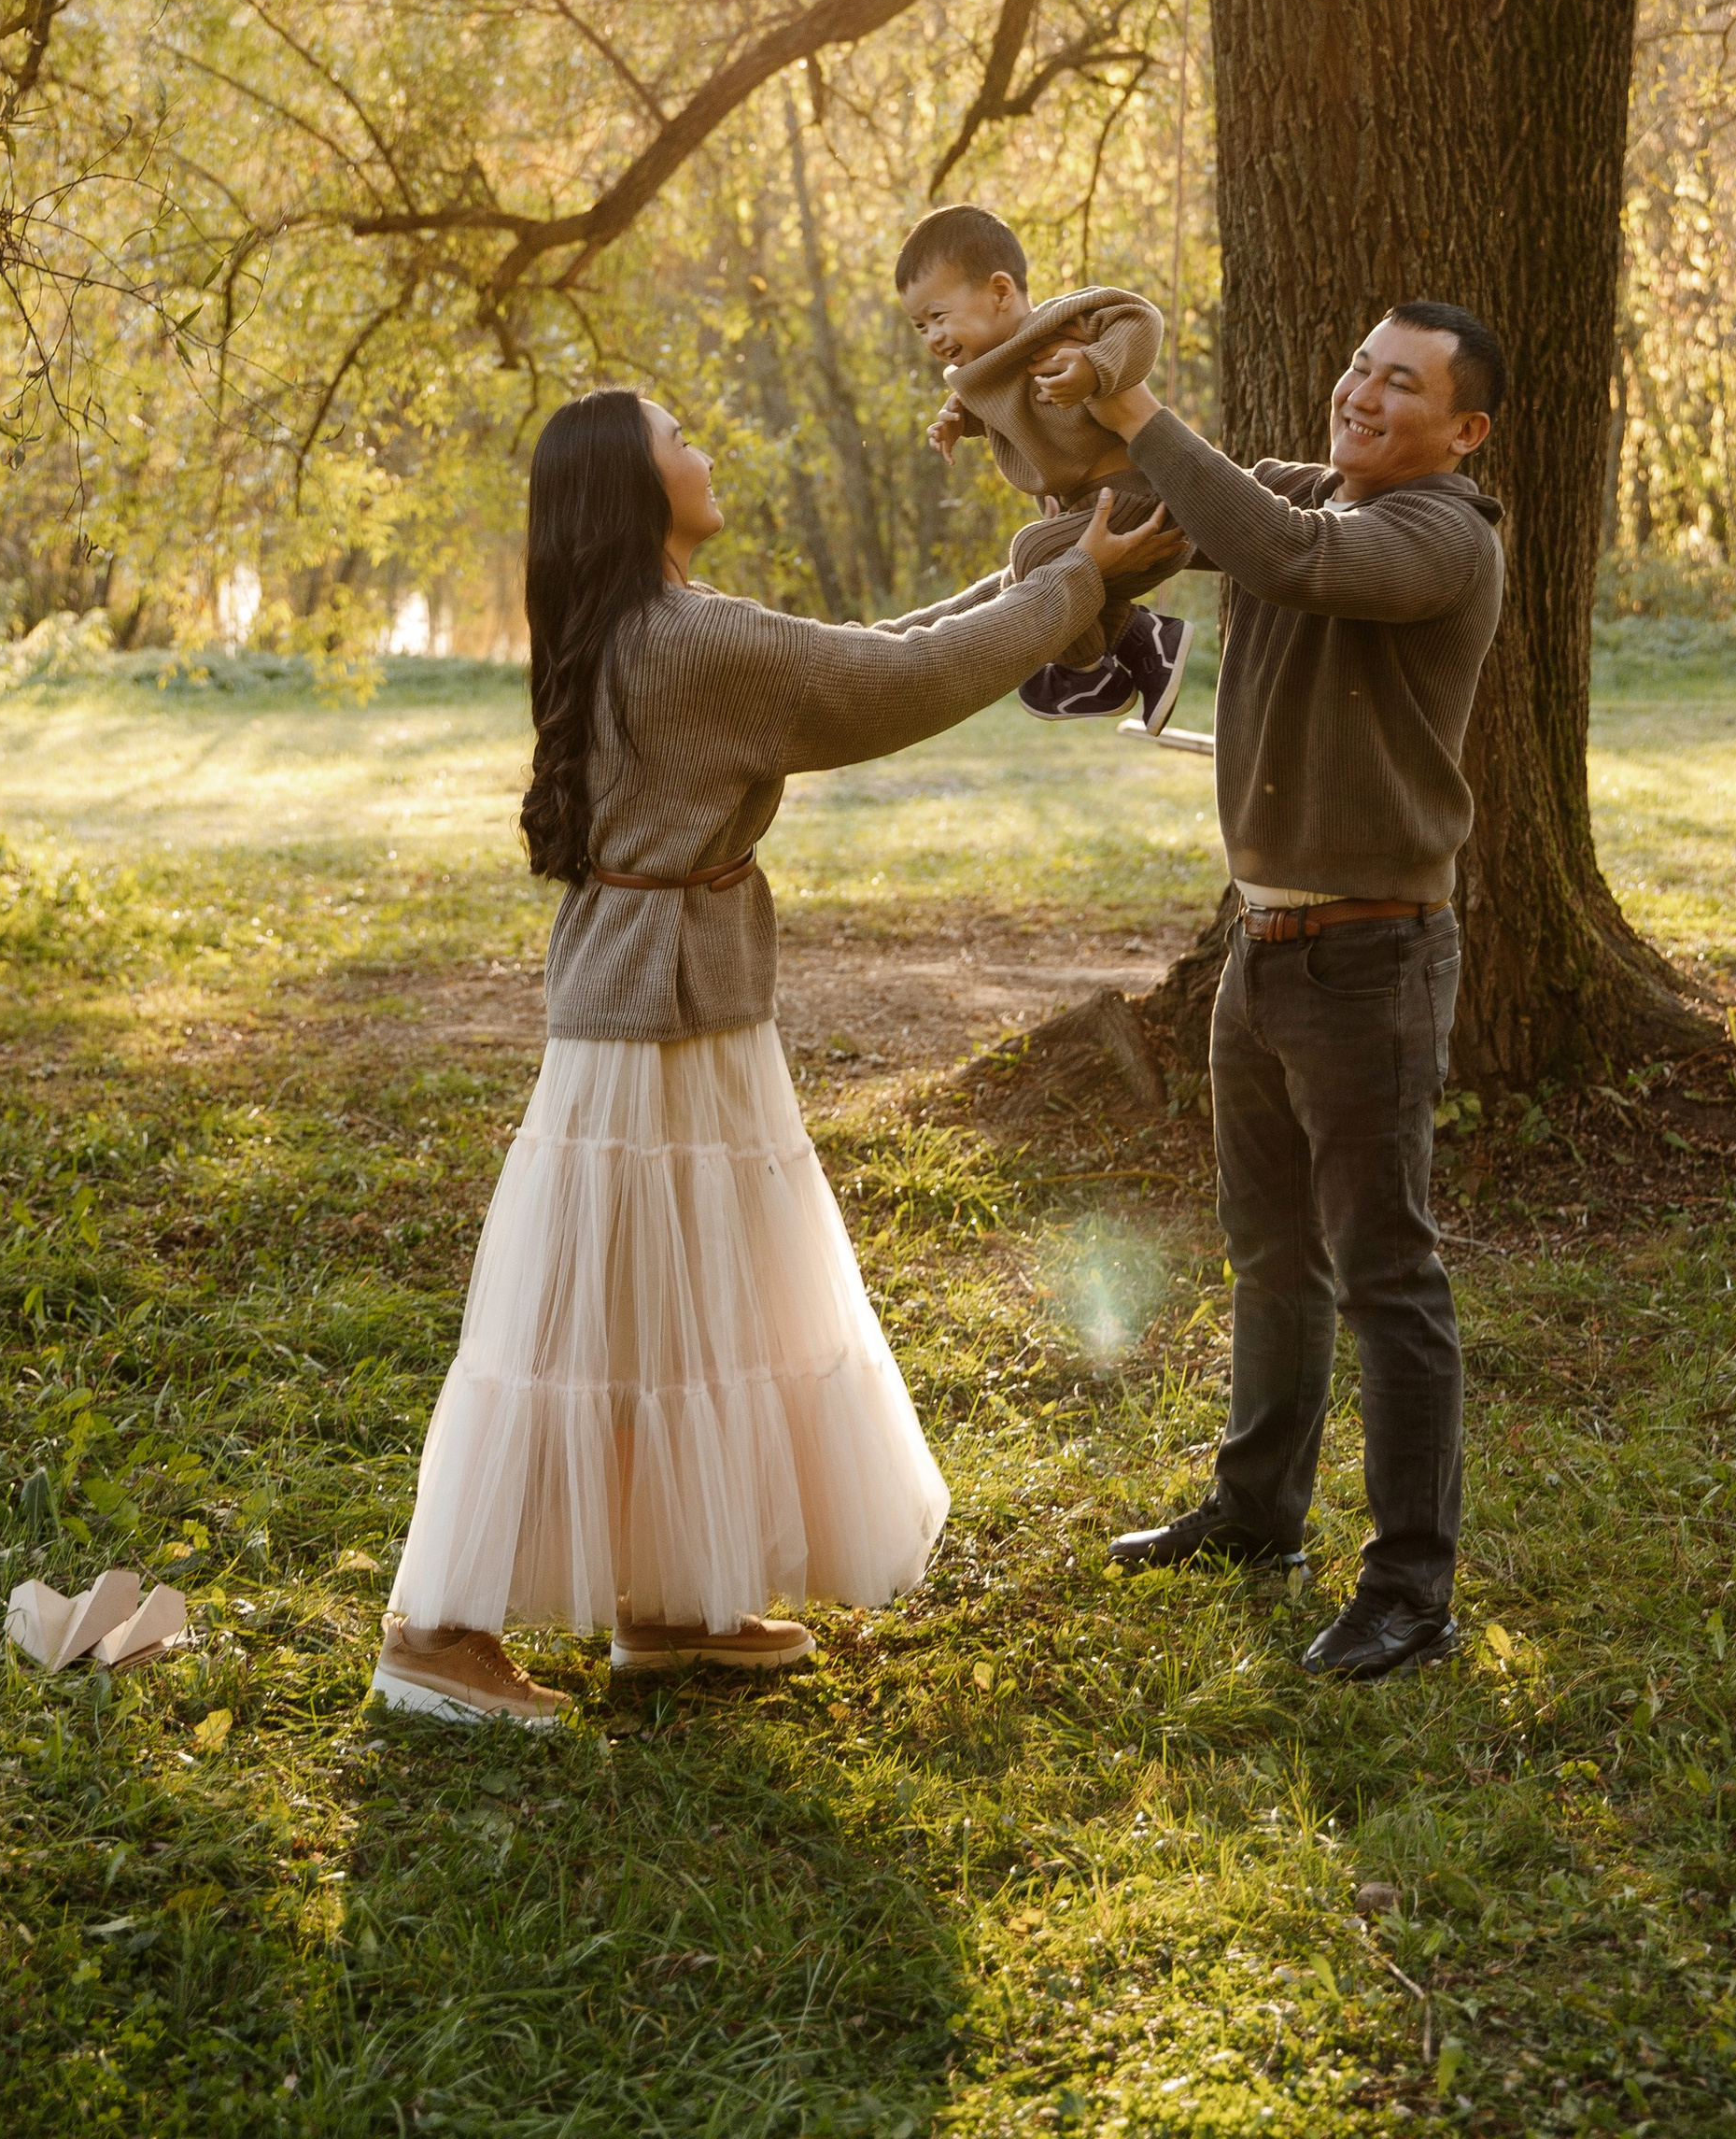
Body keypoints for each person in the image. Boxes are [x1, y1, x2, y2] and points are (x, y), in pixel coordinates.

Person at [372, 386, 1177, 1728]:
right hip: (650, 1014)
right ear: (637, 493)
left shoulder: (654, 624)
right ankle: (437, 1632)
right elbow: (891, 683)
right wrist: (1073, 582)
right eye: (680, 440)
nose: (705, 448)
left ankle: (671, 1601)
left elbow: (868, 646)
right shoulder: (689, 641)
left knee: (688, 1291)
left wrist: (1065, 566)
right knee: (582, 1307)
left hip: (675, 994)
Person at [1067, 303, 1507, 1685]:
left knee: (1387, 1277)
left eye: (1402, 383)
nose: (1363, 393)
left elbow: (1286, 559)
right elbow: (1133, 519)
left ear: (1464, 428)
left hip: (1372, 956)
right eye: (1358, 366)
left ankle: (1411, 1592)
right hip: (1260, 951)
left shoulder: (1443, 536)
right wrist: (1035, 406)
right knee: (1270, 1254)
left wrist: (1141, 414)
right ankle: (1260, 1516)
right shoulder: (1298, 491)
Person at [894, 202, 1192, 732]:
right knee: (1057, 563)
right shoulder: (985, 372)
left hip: (1143, 496)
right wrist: (957, 422)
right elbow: (1004, 404)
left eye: (939, 316)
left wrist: (1095, 369)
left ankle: (1090, 671)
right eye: (920, 327)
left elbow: (1140, 320)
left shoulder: (1059, 325)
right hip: (1098, 512)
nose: (933, 337)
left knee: (1031, 553)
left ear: (1002, 292)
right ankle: (1147, 642)